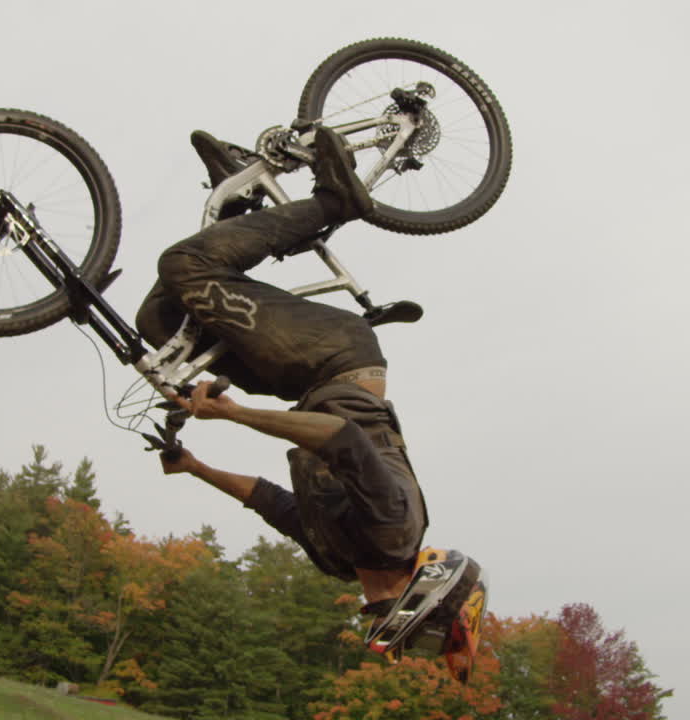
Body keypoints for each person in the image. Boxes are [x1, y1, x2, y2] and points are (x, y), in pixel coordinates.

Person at [134, 128, 484, 676]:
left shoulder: (341, 559)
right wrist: (233, 415)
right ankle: (333, 201)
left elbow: (271, 501)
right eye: (420, 645)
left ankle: (238, 198)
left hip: (298, 380)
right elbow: (338, 437)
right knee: (185, 268)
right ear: (426, 612)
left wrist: (196, 468)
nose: (400, 646)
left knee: (159, 324)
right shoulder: (395, 529)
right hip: (336, 358)